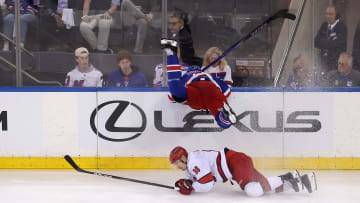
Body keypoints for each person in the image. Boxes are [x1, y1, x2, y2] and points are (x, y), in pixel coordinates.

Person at [169, 146, 317, 196]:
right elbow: (197, 179)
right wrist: (188, 183)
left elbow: (207, 183)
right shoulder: (190, 163)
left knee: (253, 191)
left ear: (183, 157)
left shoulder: (194, 160)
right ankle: (300, 180)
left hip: (235, 163)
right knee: (265, 188)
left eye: (177, 163)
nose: (177, 167)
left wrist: (191, 186)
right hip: (236, 164)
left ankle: (290, 178)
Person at [161, 38, 236, 129]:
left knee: (176, 87)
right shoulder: (207, 74)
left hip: (194, 92)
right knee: (215, 105)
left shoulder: (186, 75)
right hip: (209, 87)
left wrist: (177, 96)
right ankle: (221, 113)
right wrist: (222, 99)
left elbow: (173, 93)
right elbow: (226, 90)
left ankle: (171, 55)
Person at [314, 6, 347, 73]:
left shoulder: (342, 26)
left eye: (331, 14)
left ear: (336, 15)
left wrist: (324, 41)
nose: (328, 16)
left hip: (335, 63)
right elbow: (316, 42)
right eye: (326, 14)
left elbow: (337, 44)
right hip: (323, 62)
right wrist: (329, 41)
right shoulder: (324, 25)